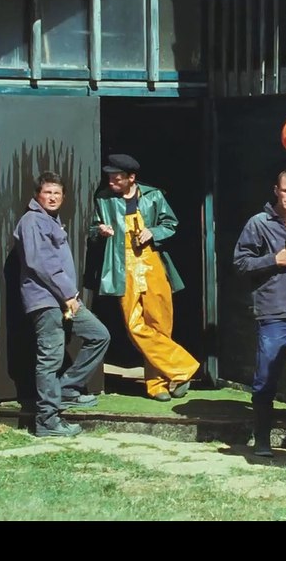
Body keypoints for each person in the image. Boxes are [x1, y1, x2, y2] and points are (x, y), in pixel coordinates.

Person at [88, 153, 198, 402]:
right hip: (121, 266)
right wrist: (101, 231)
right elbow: (92, 229)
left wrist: (153, 232)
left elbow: (171, 224)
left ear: (131, 178)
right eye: (110, 178)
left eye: (116, 178)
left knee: (160, 325)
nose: (111, 182)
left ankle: (157, 383)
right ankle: (182, 367)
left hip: (153, 265)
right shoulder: (104, 199)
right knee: (135, 325)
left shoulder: (153, 196)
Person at [15, 171, 111, 437]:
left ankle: (67, 389)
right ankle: (47, 421)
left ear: (63, 197)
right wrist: (69, 294)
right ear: (37, 195)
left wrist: (69, 297)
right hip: (47, 301)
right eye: (47, 192)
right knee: (50, 359)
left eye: (57, 193)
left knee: (99, 335)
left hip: (64, 299)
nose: (53, 197)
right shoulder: (32, 221)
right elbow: (41, 263)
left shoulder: (51, 221)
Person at [232, 170, 286, 456]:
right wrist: (273, 259)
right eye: (285, 190)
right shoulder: (258, 223)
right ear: (276, 191)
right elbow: (240, 263)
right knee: (266, 377)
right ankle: (263, 440)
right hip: (273, 312)